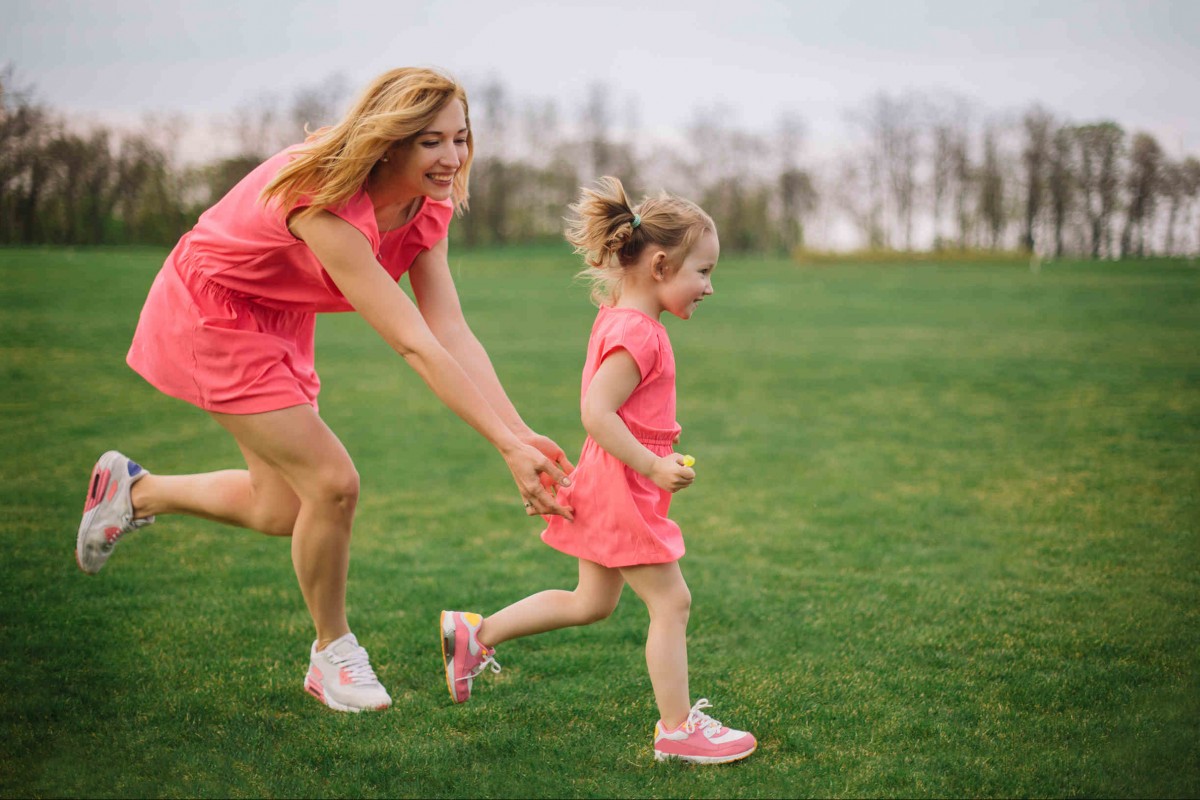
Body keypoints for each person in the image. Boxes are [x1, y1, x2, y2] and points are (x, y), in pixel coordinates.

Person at [75, 67, 575, 714]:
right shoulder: (324, 202)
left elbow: (448, 326)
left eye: (461, 137)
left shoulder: (429, 205)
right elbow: (413, 342)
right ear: (389, 140)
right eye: (430, 141)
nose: (451, 157)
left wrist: (517, 429)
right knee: (332, 483)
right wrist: (505, 448)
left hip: (278, 316)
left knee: (281, 508)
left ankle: (135, 492)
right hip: (215, 312)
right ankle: (332, 654)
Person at [440, 176, 756, 764]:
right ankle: (677, 729)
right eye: (704, 271)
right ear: (661, 265)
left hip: (611, 480)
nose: (710, 287)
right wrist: (654, 465)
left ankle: (474, 635)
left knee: (592, 601)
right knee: (672, 603)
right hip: (622, 485)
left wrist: (654, 449)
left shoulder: (620, 319)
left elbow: (613, 411)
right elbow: (596, 412)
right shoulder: (641, 333)